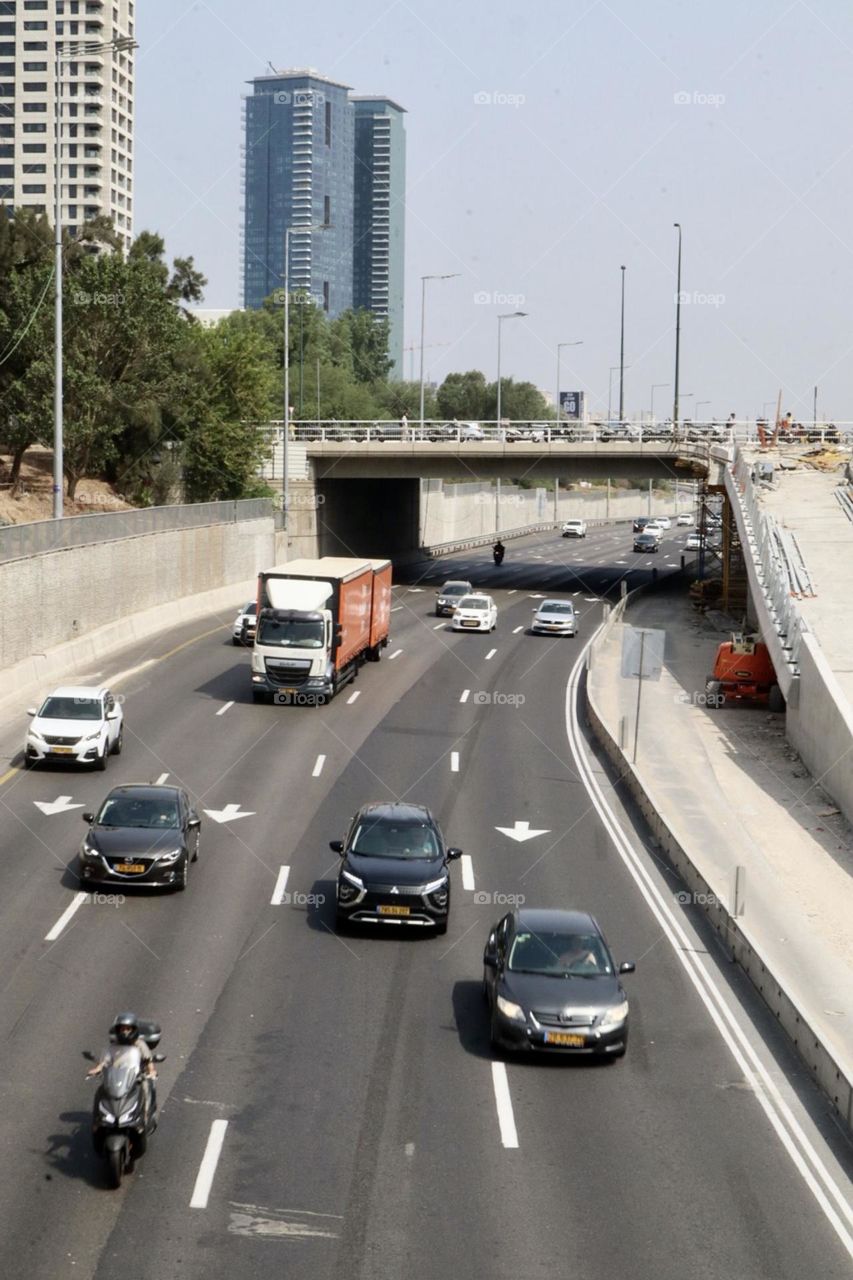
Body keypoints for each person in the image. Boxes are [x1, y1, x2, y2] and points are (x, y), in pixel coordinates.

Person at [87, 1012, 157, 1125]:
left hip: (136, 1077)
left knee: (145, 1089)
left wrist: (151, 1071)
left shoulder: (140, 1044)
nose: (125, 1032)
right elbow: (106, 1060)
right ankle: (98, 1118)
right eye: (122, 1029)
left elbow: (148, 1060)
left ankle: (145, 1115)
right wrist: (98, 1069)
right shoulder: (114, 1045)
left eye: (128, 1029)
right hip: (117, 1076)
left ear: (133, 1030)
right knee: (101, 1091)